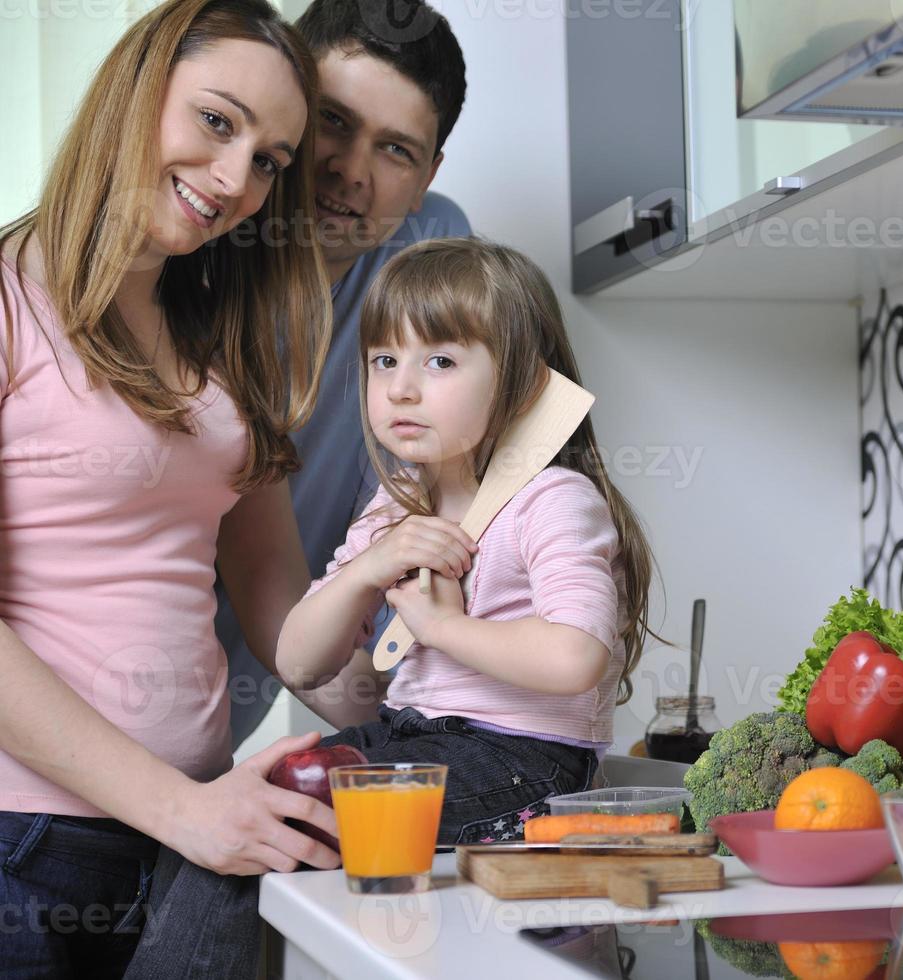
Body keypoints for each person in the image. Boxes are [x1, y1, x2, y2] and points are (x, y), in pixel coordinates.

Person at [129, 237, 663, 976]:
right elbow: (297, 658)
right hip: (411, 742)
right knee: (230, 812)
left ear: (523, 383)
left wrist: (444, 626)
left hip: (527, 769)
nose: (402, 388)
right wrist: (366, 572)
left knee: (264, 832)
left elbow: (575, 657)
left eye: (440, 361)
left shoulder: (552, 500)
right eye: (385, 360)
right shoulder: (397, 508)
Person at [0, 0, 339, 975]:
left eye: (270, 160)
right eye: (217, 122)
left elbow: (283, 608)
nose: (236, 181)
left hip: (189, 849)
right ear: (137, 90)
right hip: (26, 846)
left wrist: (430, 662)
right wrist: (184, 808)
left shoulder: (222, 344)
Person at [216, 0, 472, 747]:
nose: (349, 172)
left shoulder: (426, 250)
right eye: (332, 120)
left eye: (396, 150)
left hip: (207, 741)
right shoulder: (189, 264)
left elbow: (411, 510)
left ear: (427, 174)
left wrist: (438, 746)